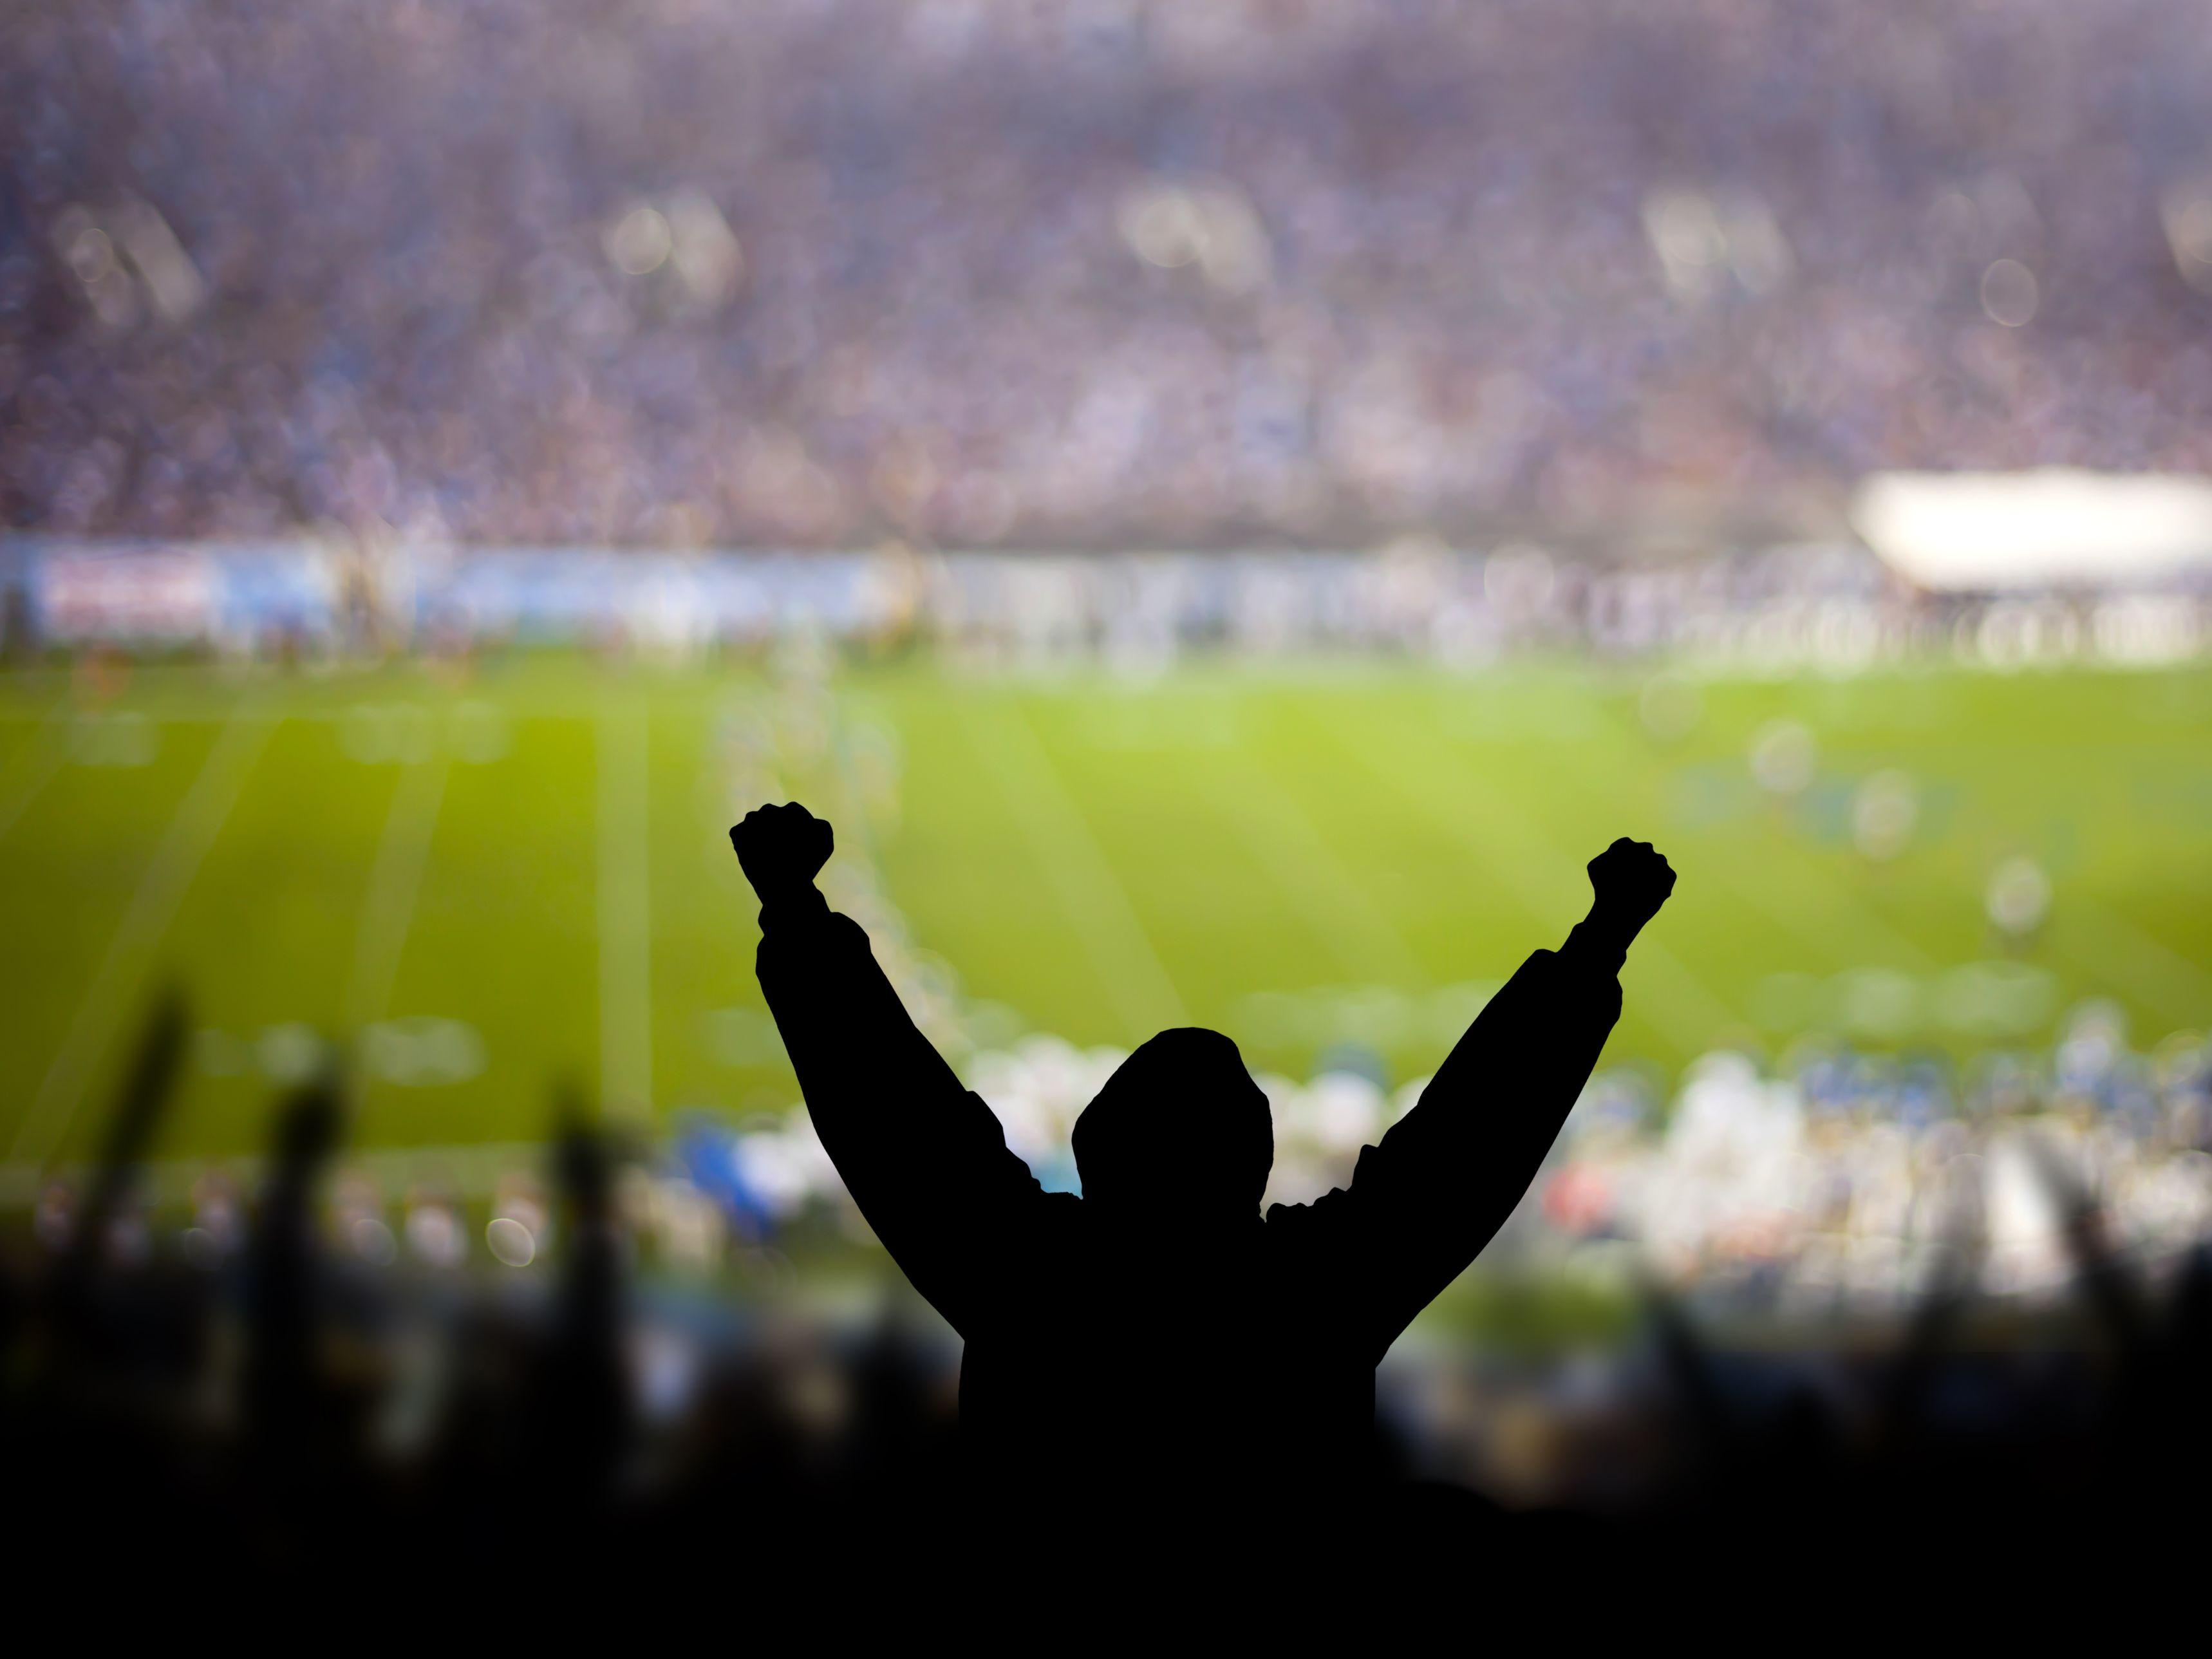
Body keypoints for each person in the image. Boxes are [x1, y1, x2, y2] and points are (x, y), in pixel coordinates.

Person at [732, 801, 1674, 1544]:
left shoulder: (1031, 1278)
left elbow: (896, 1123)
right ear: (1251, 1162)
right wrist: (1598, 942)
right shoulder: (1315, 1292)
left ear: (1100, 1153)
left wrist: (796, 910)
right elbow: (1469, 1145)